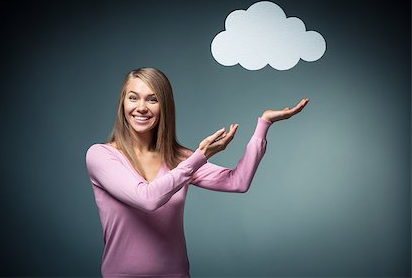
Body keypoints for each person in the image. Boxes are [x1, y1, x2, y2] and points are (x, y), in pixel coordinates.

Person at [85, 67, 309, 277]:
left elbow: (237, 182)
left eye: (152, 99)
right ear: (123, 103)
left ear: (165, 106)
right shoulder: (101, 155)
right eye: (133, 97)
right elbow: (147, 198)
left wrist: (264, 125)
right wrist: (198, 158)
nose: (141, 107)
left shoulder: (180, 159)